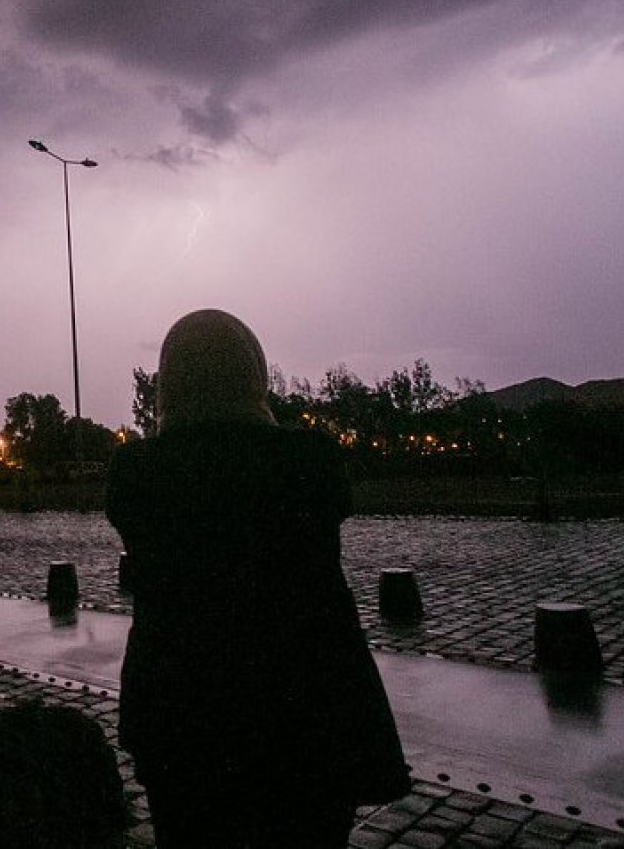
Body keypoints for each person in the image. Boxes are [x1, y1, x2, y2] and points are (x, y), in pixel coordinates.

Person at [108, 310, 409, 847]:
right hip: (306, 708)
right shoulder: (307, 461)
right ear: (253, 373)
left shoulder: (140, 474)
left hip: (184, 712)